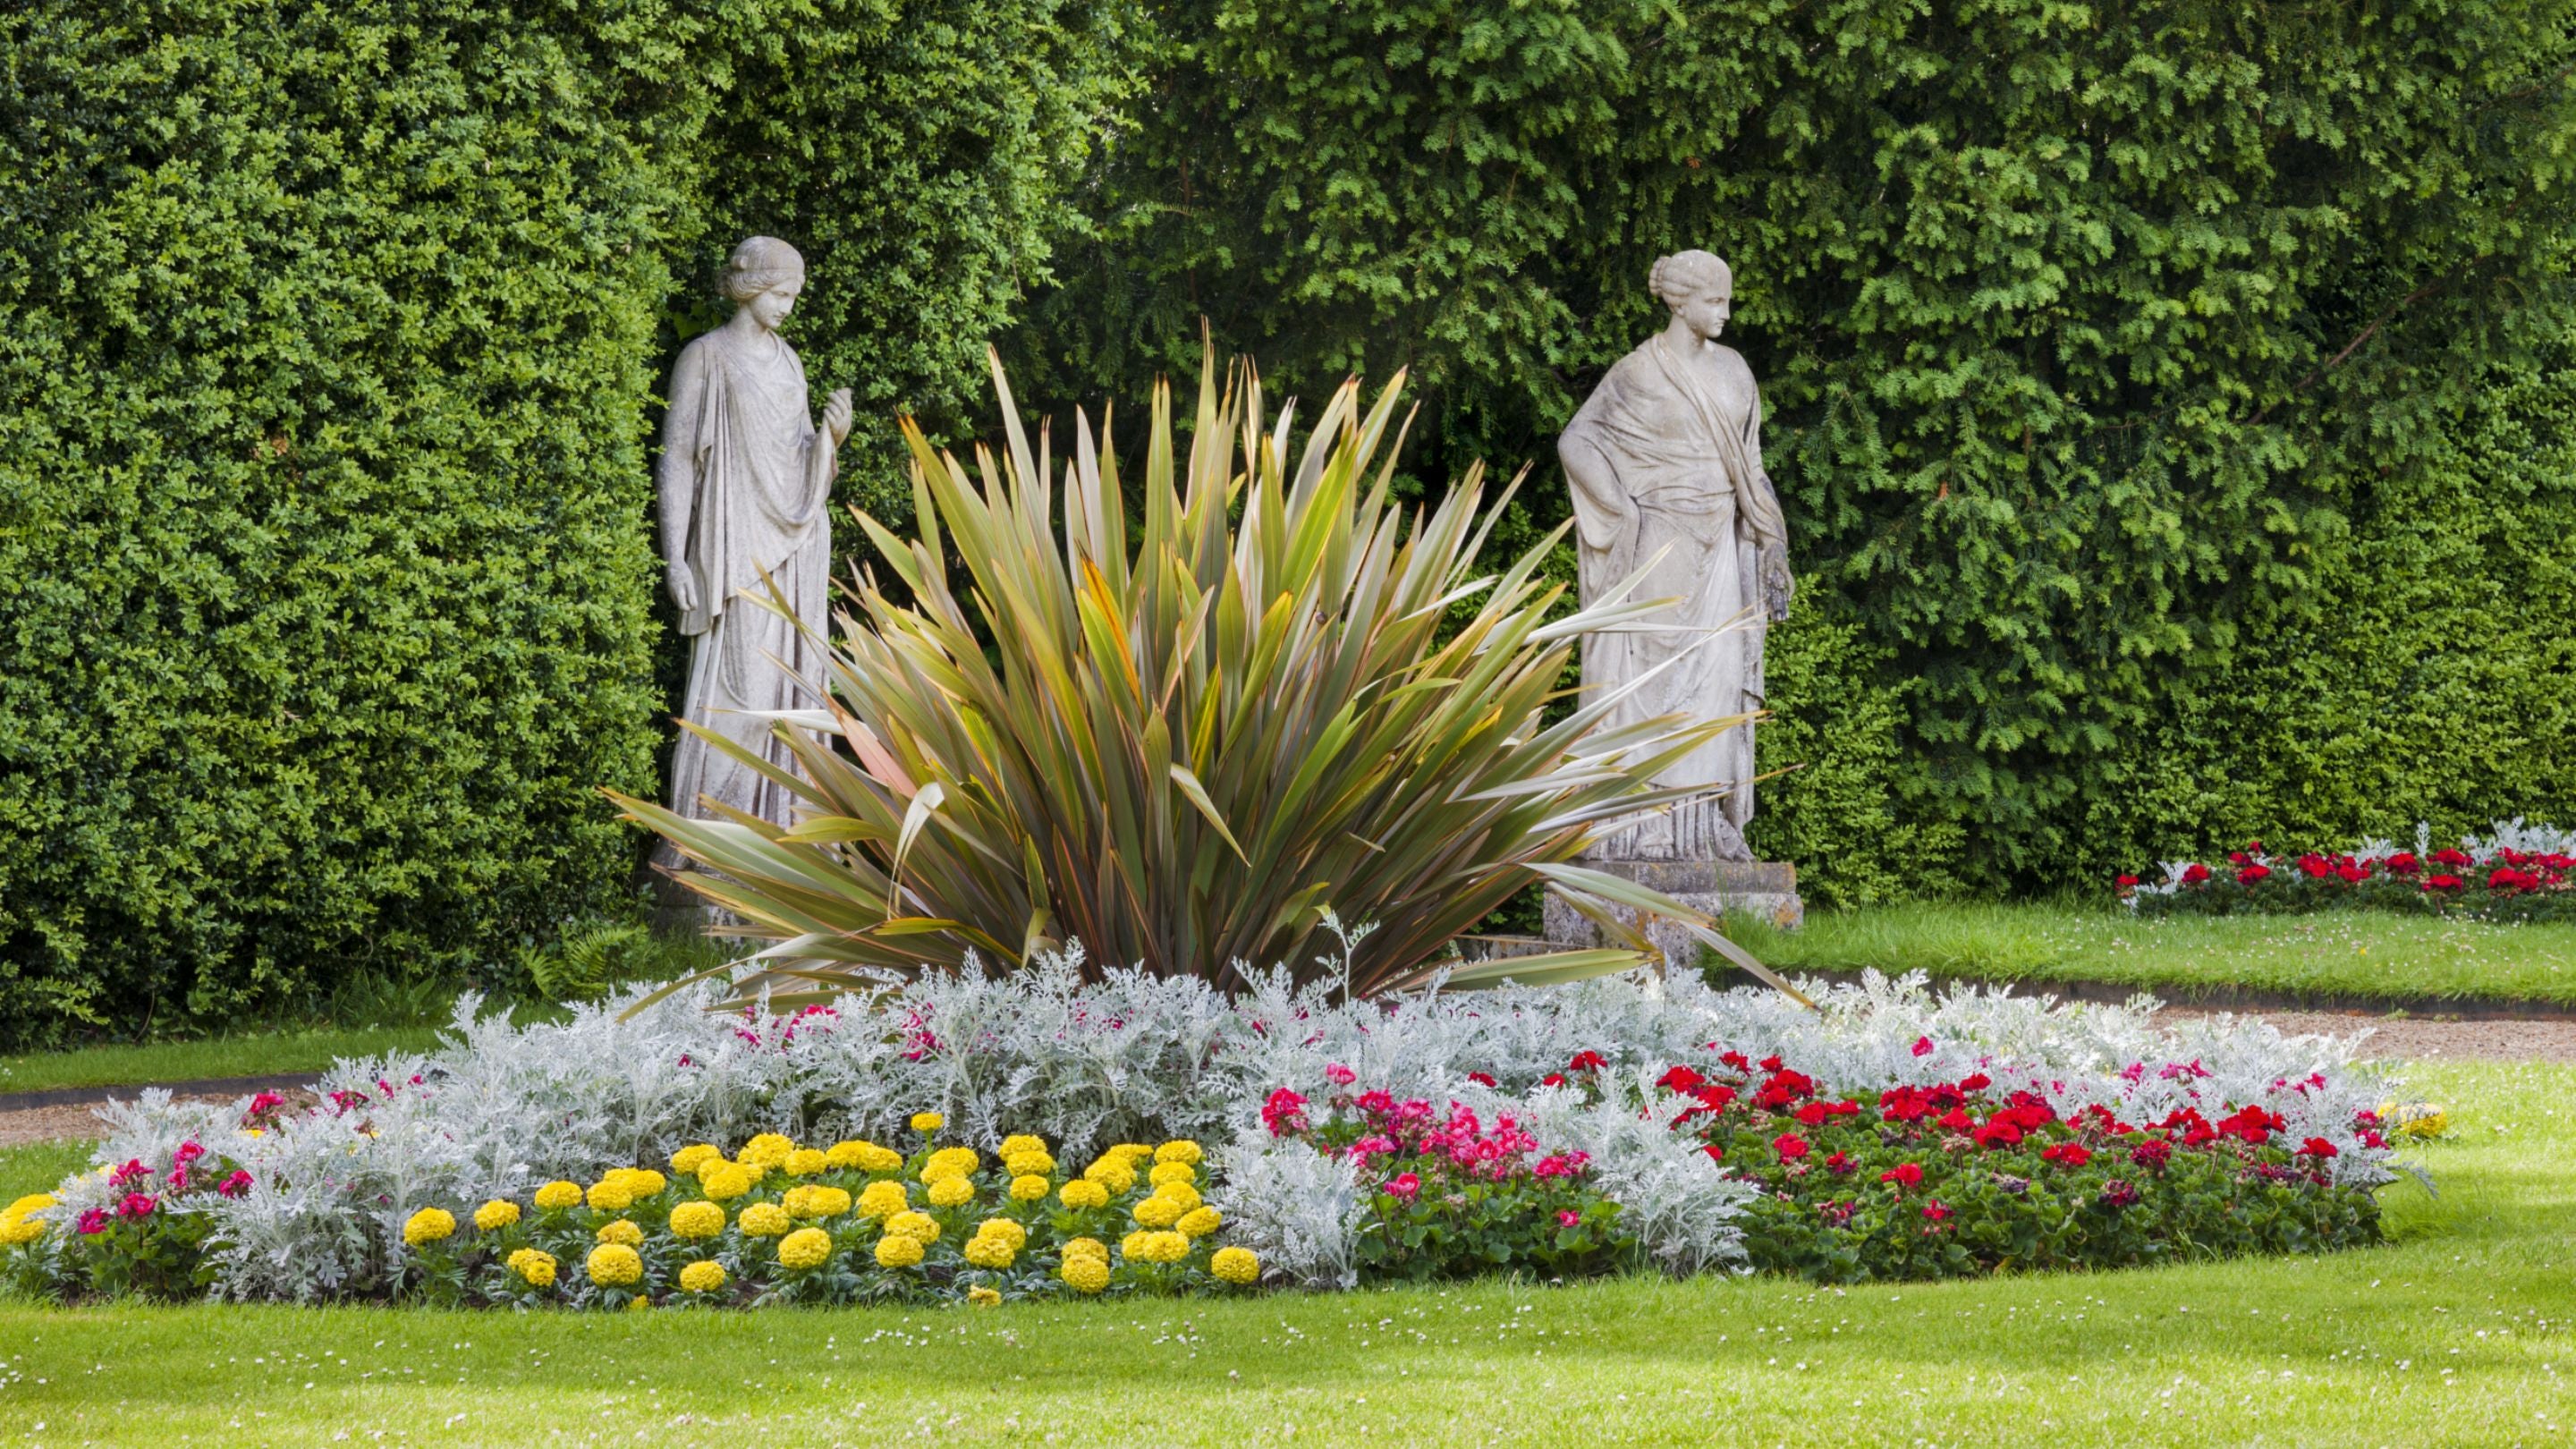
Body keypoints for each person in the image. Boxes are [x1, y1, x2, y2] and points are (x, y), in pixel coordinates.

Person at [1557, 249, 1792, 860]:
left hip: (1721, 549)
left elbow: (1752, 466)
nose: (1726, 312)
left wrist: (1774, 540)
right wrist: (1623, 510)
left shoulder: (1737, 372)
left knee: (1716, 682)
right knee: (1647, 684)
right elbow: (1577, 440)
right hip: (1657, 550)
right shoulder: (1638, 373)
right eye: (1715, 301)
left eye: (1727, 299)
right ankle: (1644, 821)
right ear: (1680, 302)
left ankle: (1706, 822)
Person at [658, 236, 852, 838]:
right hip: (735, 547)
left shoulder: (789, 359)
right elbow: (678, 458)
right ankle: (712, 844)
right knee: (737, 695)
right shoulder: (706, 358)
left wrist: (829, 441)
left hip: (794, 546)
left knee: (789, 695)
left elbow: (794, 456)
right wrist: (676, 560)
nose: (787, 307)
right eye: (780, 293)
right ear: (750, 288)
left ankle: (782, 846)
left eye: (793, 296)